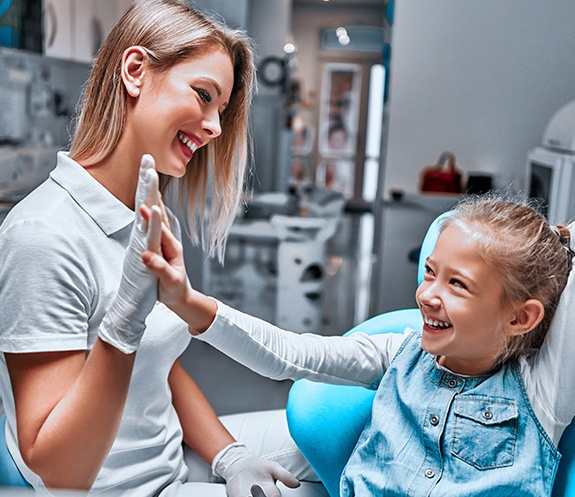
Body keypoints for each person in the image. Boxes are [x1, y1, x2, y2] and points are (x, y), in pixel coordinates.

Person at [0, 1, 314, 495]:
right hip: (125, 488)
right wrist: (123, 322)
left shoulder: (140, 211)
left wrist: (230, 457)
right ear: (135, 71)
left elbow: (157, 363)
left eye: (222, 110)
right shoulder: (44, 236)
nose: (214, 126)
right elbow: (58, 474)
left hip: (175, 460)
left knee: (362, 434)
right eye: (203, 95)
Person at [141, 193, 575, 496]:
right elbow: (291, 353)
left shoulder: (541, 393)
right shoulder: (401, 355)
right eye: (429, 272)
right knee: (186, 466)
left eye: (457, 284)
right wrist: (188, 303)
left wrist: (563, 241)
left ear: (521, 317)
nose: (426, 294)